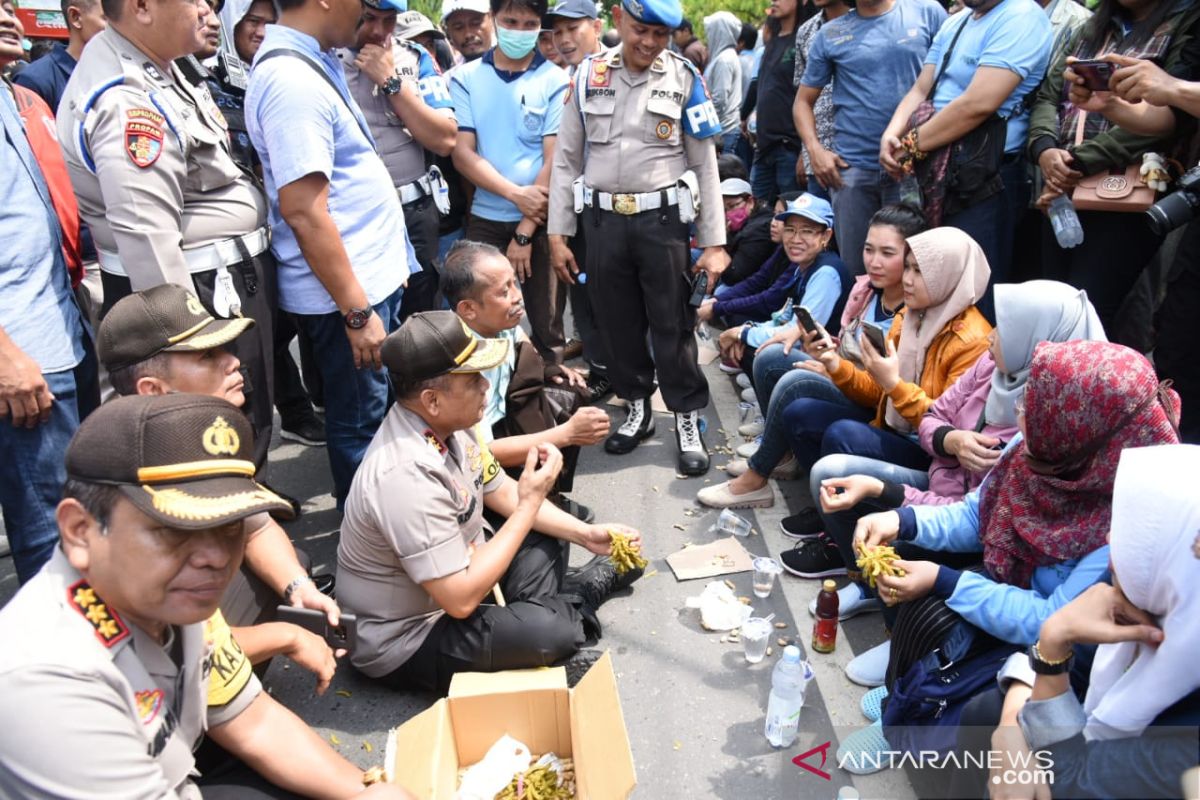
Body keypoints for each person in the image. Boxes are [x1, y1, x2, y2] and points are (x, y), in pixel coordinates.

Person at [0, 394, 415, 799]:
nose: (216, 557)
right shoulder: (49, 683)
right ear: (80, 530)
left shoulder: (161, 596)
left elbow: (252, 722)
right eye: (173, 530)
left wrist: (366, 790)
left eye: (229, 527)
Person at [837, 339, 1181, 772]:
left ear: (1081, 432)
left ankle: (913, 722)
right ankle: (908, 693)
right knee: (926, 602)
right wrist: (902, 520)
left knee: (979, 705)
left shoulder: (1126, 525)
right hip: (1012, 585)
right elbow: (975, 515)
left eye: (1034, 406)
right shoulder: (1043, 445)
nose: (1019, 413)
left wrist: (945, 580)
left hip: (1063, 657)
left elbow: (1051, 621)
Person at [336, 311, 644, 693]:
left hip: (460, 575)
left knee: (549, 523)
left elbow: (500, 491)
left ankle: (541, 619)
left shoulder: (451, 425)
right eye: (472, 380)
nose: (485, 386)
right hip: (409, 634)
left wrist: (586, 534)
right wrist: (530, 505)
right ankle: (572, 600)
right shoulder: (404, 474)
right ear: (432, 399)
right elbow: (460, 601)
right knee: (552, 631)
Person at [789, 281, 1104, 640]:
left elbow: (1047, 619)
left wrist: (942, 579)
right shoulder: (994, 369)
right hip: (952, 498)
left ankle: (908, 630)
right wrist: (946, 444)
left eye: (1006, 329)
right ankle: (882, 599)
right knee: (840, 459)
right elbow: (938, 428)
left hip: (1002, 586)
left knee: (899, 545)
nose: (991, 337)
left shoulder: (1108, 525)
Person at [57, 0, 276, 472]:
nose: (208, 12)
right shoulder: (126, 99)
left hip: (216, 279)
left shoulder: (161, 67)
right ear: (141, 8)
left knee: (239, 430)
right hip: (194, 292)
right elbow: (148, 239)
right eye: (194, 0)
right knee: (219, 434)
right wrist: (193, 349)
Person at [245, 0, 419, 505]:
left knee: (375, 413)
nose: (366, 14)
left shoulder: (312, 61)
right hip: (348, 295)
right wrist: (358, 308)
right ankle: (370, 552)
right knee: (361, 424)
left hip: (362, 281)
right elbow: (304, 210)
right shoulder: (290, 81)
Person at [548, 0, 729, 476]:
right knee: (617, 323)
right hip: (603, 223)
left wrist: (713, 244)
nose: (650, 43)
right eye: (642, 31)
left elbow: (703, 164)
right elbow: (567, 160)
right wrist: (558, 232)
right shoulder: (587, 75)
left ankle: (687, 419)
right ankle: (637, 408)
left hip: (663, 223)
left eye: (661, 35)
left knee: (673, 323)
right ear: (619, 22)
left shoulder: (685, 77)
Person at [96, 283, 340, 635]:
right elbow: (159, 648)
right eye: (207, 356)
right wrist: (281, 638)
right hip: (134, 661)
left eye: (225, 349)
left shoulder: (209, 432)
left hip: (179, 626)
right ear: (152, 390)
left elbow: (257, 528)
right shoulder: (124, 473)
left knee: (290, 568)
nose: (234, 362)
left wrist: (299, 589)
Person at [700, 226, 990, 512]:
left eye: (919, 271)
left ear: (949, 276)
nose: (908, 279)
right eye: (909, 268)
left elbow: (943, 428)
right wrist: (834, 363)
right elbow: (877, 391)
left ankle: (823, 515)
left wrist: (891, 384)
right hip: (892, 421)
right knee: (798, 410)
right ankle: (816, 503)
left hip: (931, 453)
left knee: (839, 430)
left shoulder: (970, 340)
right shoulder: (910, 315)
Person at [981, 445, 1200, 800]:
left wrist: (1053, 643)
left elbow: (1064, 782)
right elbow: (1035, 662)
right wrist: (1009, 731)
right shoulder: (1153, 599)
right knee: (990, 712)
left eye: (1139, 533)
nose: (1111, 539)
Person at [1026, 0, 1200, 340]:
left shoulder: (1182, 22)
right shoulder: (1091, 27)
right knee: (1054, 305)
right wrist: (1045, 149)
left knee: (1090, 310)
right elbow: (1048, 95)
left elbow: (1170, 121)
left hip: (1131, 190)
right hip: (1062, 190)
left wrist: (1078, 161)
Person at [1, 0, 99, 584]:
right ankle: (64, 669)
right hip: (23, 360)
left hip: (64, 336)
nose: (10, 16)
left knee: (79, 513)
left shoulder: (21, 99)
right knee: (50, 538)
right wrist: (6, 356)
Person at [881, 0, 1052, 321]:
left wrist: (911, 144)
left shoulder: (1022, 15)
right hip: (935, 172)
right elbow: (921, 89)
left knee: (973, 294)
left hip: (984, 177)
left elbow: (978, 104)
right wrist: (892, 133)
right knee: (929, 284)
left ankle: (975, 372)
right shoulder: (955, 22)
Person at [441, 240, 608, 521]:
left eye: (514, 284)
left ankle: (549, 495)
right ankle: (521, 509)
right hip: (481, 457)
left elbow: (520, 341)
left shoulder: (494, 322)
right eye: (503, 291)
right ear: (468, 309)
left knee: (569, 391)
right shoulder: (466, 365)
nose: (517, 296)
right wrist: (566, 433)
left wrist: (547, 368)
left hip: (507, 417)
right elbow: (484, 453)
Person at [450, 0, 569, 367]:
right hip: (486, 217)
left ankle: (550, 391)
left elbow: (555, 160)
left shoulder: (555, 79)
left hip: (543, 219)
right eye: (511, 20)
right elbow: (463, 154)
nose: (519, 30)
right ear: (494, 20)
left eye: (530, 23)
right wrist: (516, 195)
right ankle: (487, 403)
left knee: (546, 319)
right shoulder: (464, 78)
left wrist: (525, 231)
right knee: (481, 321)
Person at [795, 0, 946, 276]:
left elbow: (950, 78)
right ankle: (858, 321)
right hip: (851, 174)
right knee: (860, 274)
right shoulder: (830, 33)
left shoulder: (927, 12)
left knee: (917, 268)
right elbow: (802, 102)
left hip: (915, 167)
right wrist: (815, 150)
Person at [340, 0, 458, 320]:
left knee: (422, 322)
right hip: (356, 218)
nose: (378, 31)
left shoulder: (415, 57)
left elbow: (445, 139)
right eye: (368, 19)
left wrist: (391, 82)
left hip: (415, 212)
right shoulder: (325, 58)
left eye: (389, 20)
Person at [544, 0, 611, 403]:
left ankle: (636, 371)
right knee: (583, 293)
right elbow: (563, 163)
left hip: (620, 211)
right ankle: (603, 369)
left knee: (622, 296)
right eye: (558, 32)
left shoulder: (620, 71)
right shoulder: (565, 80)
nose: (565, 39)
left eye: (574, 29)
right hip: (578, 208)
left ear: (598, 27)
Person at [711, 192, 849, 353]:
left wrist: (742, 333)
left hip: (823, 361)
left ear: (826, 236)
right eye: (790, 230)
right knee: (743, 329)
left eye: (807, 231)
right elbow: (783, 318)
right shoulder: (802, 265)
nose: (796, 239)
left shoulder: (826, 273)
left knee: (767, 354)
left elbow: (797, 333)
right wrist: (747, 329)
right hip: (802, 347)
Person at [744, 0, 803, 204]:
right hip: (763, 146)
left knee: (791, 214)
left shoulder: (803, 40)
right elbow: (760, 85)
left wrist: (806, 153)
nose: (773, 1)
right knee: (757, 214)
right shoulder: (772, 42)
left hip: (789, 147)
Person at [789, 0, 848, 201]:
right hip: (819, 159)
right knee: (819, 228)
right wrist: (807, 151)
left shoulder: (869, 21)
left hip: (860, 155)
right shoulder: (806, 31)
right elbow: (802, 99)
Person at [12, 0, 105, 111]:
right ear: (75, 17)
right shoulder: (35, 80)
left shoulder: (115, 73)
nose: (116, 28)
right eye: (107, 18)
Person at [710, 177, 782, 291]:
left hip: (749, 284)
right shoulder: (742, 223)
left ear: (750, 201)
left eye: (733, 206)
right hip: (737, 274)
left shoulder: (758, 230)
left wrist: (719, 243)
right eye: (725, 209)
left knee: (721, 291)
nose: (729, 213)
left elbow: (734, 276)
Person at [703, 11, 743, 155]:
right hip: (723, 129)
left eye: (710, 31)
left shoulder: (724, 60)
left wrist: (708, 127)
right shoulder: (724, 57)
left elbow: (719, 99)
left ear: (718, 32)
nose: (708, 35)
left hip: (723, 130)